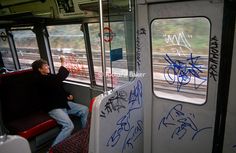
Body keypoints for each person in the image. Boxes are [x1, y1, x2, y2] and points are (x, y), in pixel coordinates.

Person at [31, 57, 88, 146]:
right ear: (40, 69)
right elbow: (59, 78)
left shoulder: (49, 76)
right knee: (69, 126)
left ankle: (86, 136)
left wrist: (67, 95)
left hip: (62, 103)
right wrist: (62, 63)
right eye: (45, 65)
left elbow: (58, 87)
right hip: (53, 107)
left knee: (84, 109)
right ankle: (53, 150)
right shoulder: (39, 80)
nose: (48, 66)